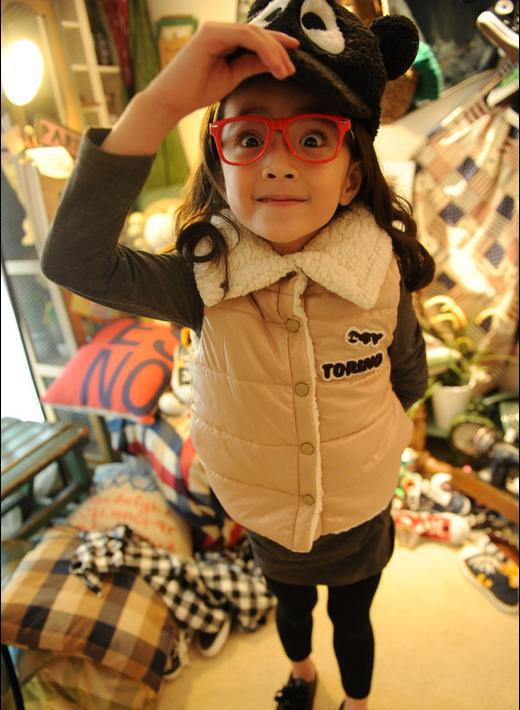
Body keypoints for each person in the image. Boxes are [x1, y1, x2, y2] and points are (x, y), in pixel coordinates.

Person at [42, 2, 435, 708]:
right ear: (220, 166)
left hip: (360, 515)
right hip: (268, 519)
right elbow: (72, 258)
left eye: (312, 137)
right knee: (293, 614)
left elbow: (407, 374)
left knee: (354, 621)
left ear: (351, 176)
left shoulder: (380, 272)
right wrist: (161, 104)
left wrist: (365, 448)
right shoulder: (201, 280)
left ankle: (356, 701)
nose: (278, 163)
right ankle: (302, 677)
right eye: (249, 137)